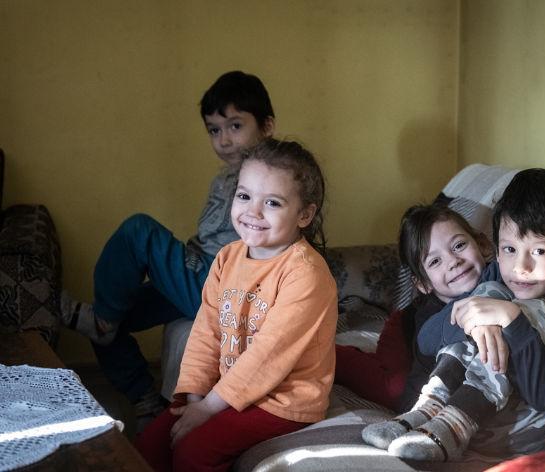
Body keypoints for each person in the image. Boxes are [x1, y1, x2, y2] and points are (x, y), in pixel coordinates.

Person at [59, 71, 276, 428]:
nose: (224, 140)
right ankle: (144, 399)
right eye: (214, 130)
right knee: (112, 314)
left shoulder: (273, 175)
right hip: (200, 270)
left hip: (224, 284)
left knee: (139, 230)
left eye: (235, 126)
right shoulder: (224, 177)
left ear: (266, 125)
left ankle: (102, 321)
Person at [134, 139, 338, 472]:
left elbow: (267, 356)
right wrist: (196, 397)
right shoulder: (227, 257)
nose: (253, 212)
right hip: (231, 390)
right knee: (149, 446)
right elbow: (206, 331)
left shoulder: (306, 273)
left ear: (304, 214)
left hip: (283, 401)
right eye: (244, 196)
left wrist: (209, 409)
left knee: (194, 453)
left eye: (272, 202)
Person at [413, 168, 545, 460]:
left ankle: (450, 429)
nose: (520, 267)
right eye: (509, 249)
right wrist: (473, 323)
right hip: (485, 408)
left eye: (539, 251)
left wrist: (512, 319)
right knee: (484, 300)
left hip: (543, 430)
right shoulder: (498, 275)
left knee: (532, 312)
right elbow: (426, 341)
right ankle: (431, 412)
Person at [360, 203, 545, 461]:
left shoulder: (511, 278)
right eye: (435, 261)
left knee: (499, 298)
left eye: (459, 246)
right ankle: (339, 357)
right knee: (390, 383)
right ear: (423, 283)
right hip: (404, 338)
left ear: (483, 245)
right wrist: (476, 320)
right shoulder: (427, 319)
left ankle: (456, 423)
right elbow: (412, 385)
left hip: (491, 413)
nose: (453, 261)